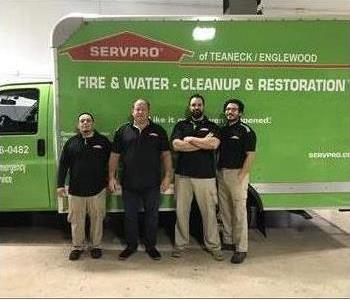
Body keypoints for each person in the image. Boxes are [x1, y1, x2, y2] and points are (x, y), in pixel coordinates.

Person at [109, 99, 172, 261]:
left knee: (152, 217)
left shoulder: (158, 131)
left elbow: (166, 155)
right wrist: (111, 177)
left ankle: (151, 246)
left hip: (152, 183)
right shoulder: (123, 131)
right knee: (130, 217)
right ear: (132, 111)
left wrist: (167, 176)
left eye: (143, 109)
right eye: (137, 109)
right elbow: (114, 156)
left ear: (148, 111)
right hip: (129, 183)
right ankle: (131, 246)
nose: (140, 112)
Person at [170, 94, 224, 261]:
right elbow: (176, 145)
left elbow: (213, 144)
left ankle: (214, 246)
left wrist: (191, 139)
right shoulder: (181, 125)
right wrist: (202, 144)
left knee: (209, 213)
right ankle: (180, 246)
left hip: (206, 177)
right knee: (181, 212)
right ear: (189, 107)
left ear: (203, 106)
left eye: (199, 104)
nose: (196, 107)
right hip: (183, 176)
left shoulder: (212, 126)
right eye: (193, 105)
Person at [57, 113, 111, 261]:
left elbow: (112, 163)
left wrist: (111, 179)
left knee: (97, 219)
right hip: (76, 191)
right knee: (76, 221)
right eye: (82, 121)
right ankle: (77, 247)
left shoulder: (103, 141)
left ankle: (96, 246)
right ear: (78, 124)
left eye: (88, 120)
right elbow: (63, 165)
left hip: (97, 190)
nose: (85, 123)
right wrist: (60, 185)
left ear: (92, 123)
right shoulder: (71, 143)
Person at [217, 99, 257, 264]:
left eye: (233, 109)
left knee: (239, 213)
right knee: (225, 210)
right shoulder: (223, 130)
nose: (230, 112)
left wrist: (241, 177)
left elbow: (251, 156)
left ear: (240, 112)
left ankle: (241, 248)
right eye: (227, 109)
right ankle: (228, 241)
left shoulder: (246, 131)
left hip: (237, 175)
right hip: (222, 174)